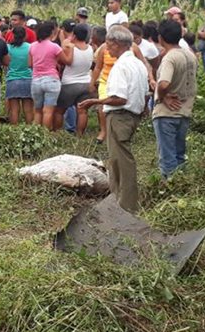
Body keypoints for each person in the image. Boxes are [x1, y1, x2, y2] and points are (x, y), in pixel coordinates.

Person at [80, 26, 148, 213]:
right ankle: (117, 198)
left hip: (119, 116)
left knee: (121, 161)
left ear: (117, 44)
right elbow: (145, 93)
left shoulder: (121, 67)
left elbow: (120, 98)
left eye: (109, 45)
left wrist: (95, 101)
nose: (107, 49)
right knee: (117, 160)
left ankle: (126, 205)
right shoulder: (138, 64)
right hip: (131, 116)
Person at [153, 20, 197, 177]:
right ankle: (182, 186)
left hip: (167, 114)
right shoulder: (190, 55)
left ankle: (170, 189)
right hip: (184, 111)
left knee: (167, 157)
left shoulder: (170, 58)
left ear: (161, 37)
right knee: (179, 154)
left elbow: (164, 84)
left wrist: (163, 97)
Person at [56, 23, 95, 135]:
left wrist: (67, 40)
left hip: (69, 83)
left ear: (74, 35)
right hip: (85, 82)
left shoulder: (70, 48)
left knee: (59, 111)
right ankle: (80, 135)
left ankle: (58, 134)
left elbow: (63, 58)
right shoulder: (90, 49)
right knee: (82, 111)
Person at [28, 21, 62, 130]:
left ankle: (37, 134)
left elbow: (30, 64)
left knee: (37, 110)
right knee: (48, 111)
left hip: (36, 80)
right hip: (51, 80)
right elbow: (66, 60)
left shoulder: (32, 46)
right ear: (51, 33)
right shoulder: (55, 47)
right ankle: (46, 135)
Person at [5, 22, 34, 124]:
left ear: (13, 35)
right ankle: (30, 131)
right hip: (28, 79)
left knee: (14, 110)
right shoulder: (31, 47)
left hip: (12, 80)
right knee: (28, 109)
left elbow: (5, 62)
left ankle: (14, 132)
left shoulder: (8, 47)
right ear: (25, 35)